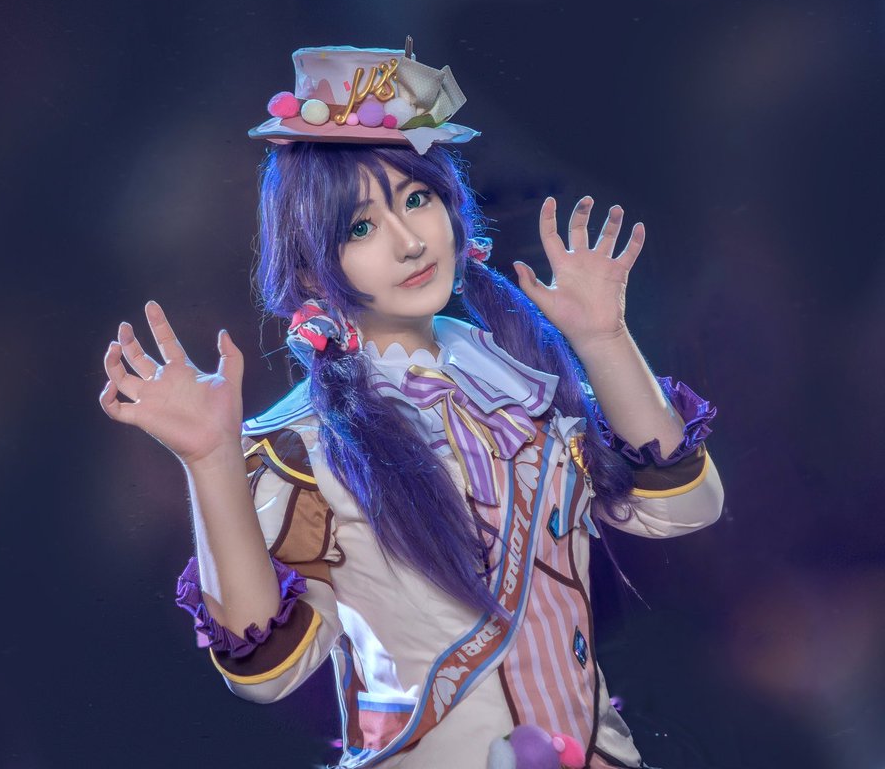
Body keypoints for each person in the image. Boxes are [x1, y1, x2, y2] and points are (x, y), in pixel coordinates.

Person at [99, 43, 722, 769]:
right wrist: (210, 462)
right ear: (311, 270)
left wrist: (604, 339)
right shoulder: (307, 445)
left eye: (417, 199)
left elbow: (684, 509)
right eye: (360, 227)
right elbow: (268, 672)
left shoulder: (520, 380)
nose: (408, 243)